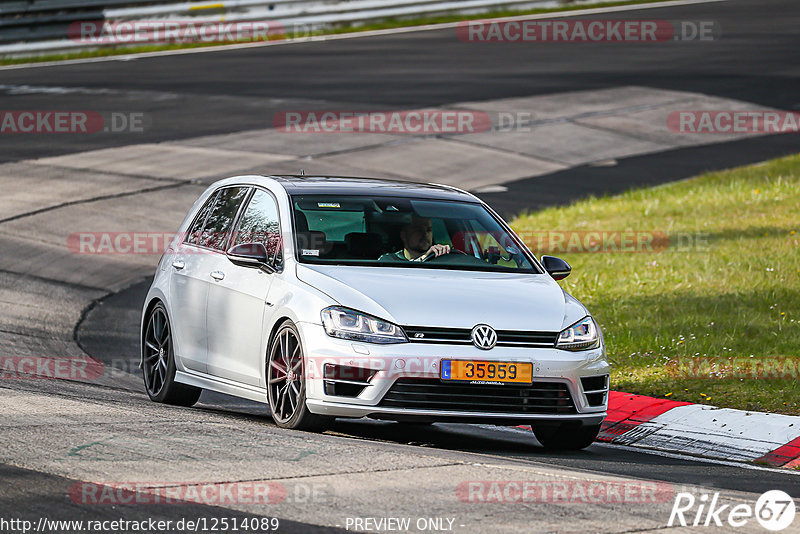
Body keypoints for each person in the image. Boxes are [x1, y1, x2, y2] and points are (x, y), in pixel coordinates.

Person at [379, 216, 450, 261]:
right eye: (418, 230)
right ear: (403, 235)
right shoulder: (388, 261)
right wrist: (423, 258)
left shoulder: (440, 259)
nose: (425, 234)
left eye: (428, 230)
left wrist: (445, 253)